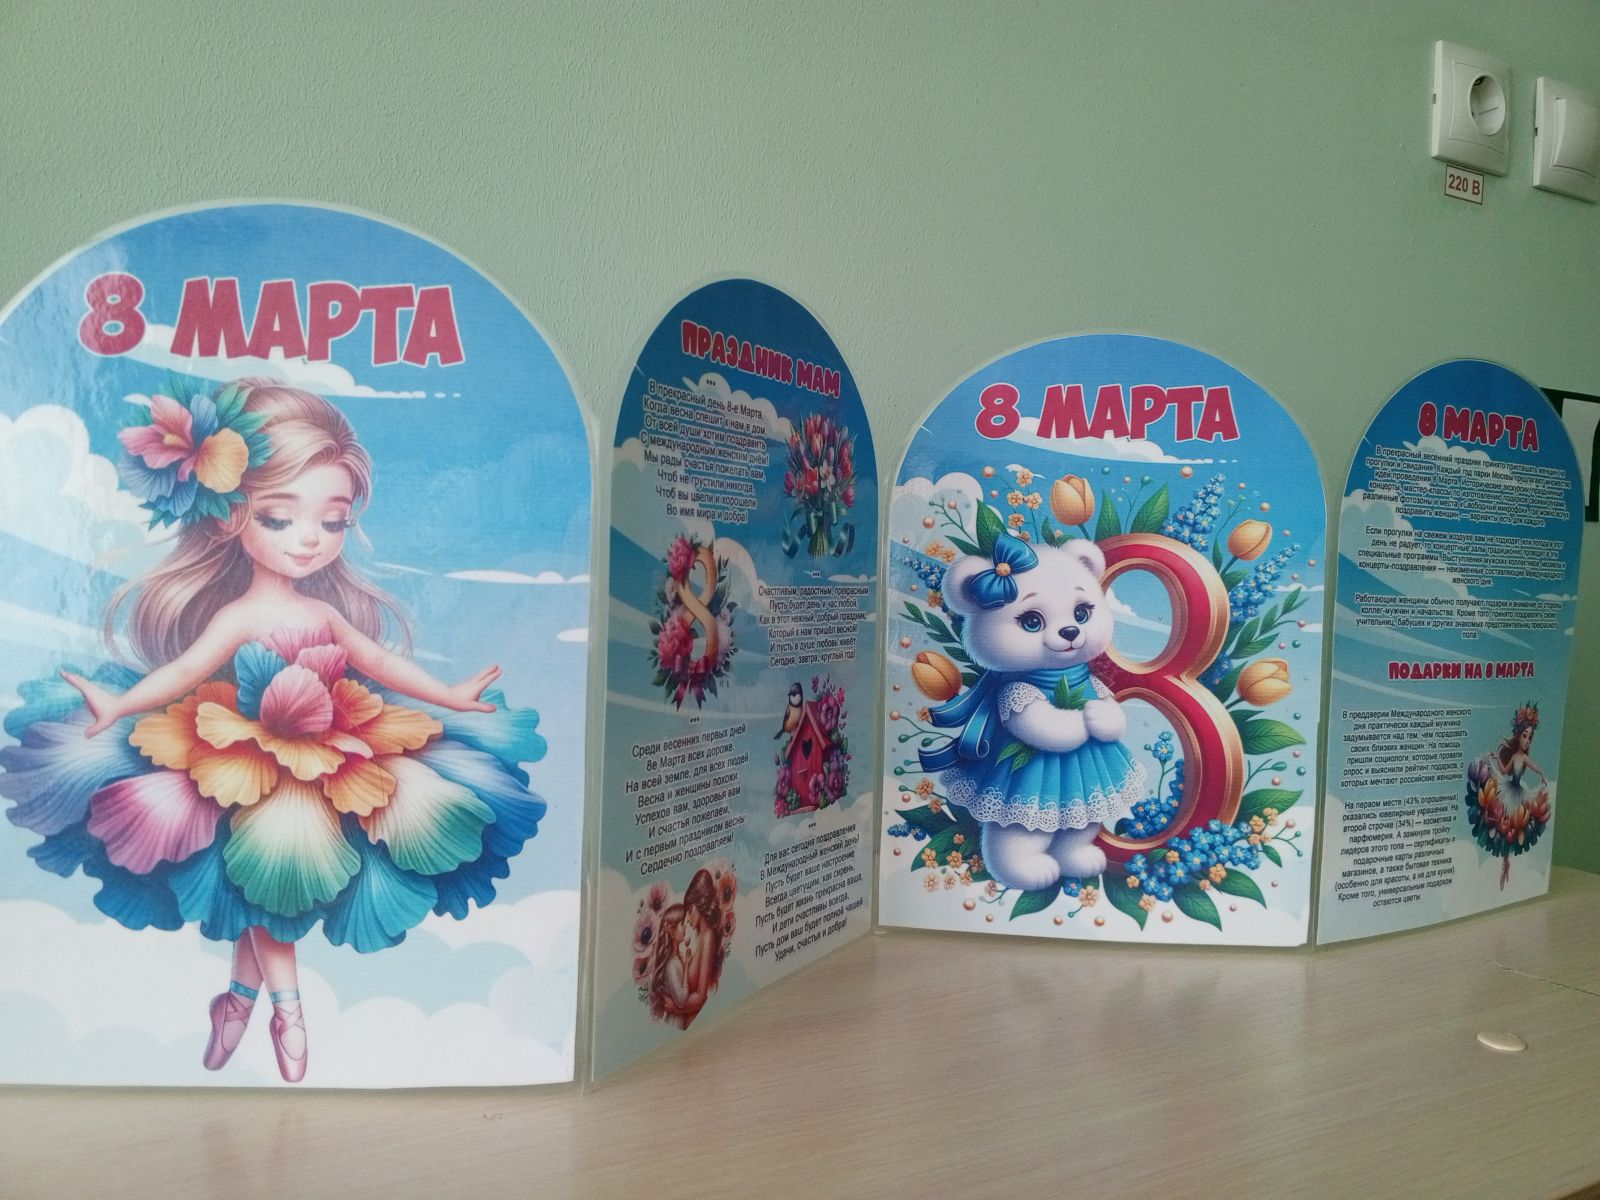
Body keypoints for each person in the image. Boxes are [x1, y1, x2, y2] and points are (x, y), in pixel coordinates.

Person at [0, 379, 548, 1082]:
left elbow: (378, 661)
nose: (310, 538)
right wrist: (118, 705)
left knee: (256, 892)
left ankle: (238, 1002)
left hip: (331, 757)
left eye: (333, 520)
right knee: (261, 885)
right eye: (280, 517)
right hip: (237, 759)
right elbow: (185, 671)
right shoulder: (239, 616)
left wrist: (450, 696)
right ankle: (289, 1009)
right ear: (232, 516)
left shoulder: (323, 614)